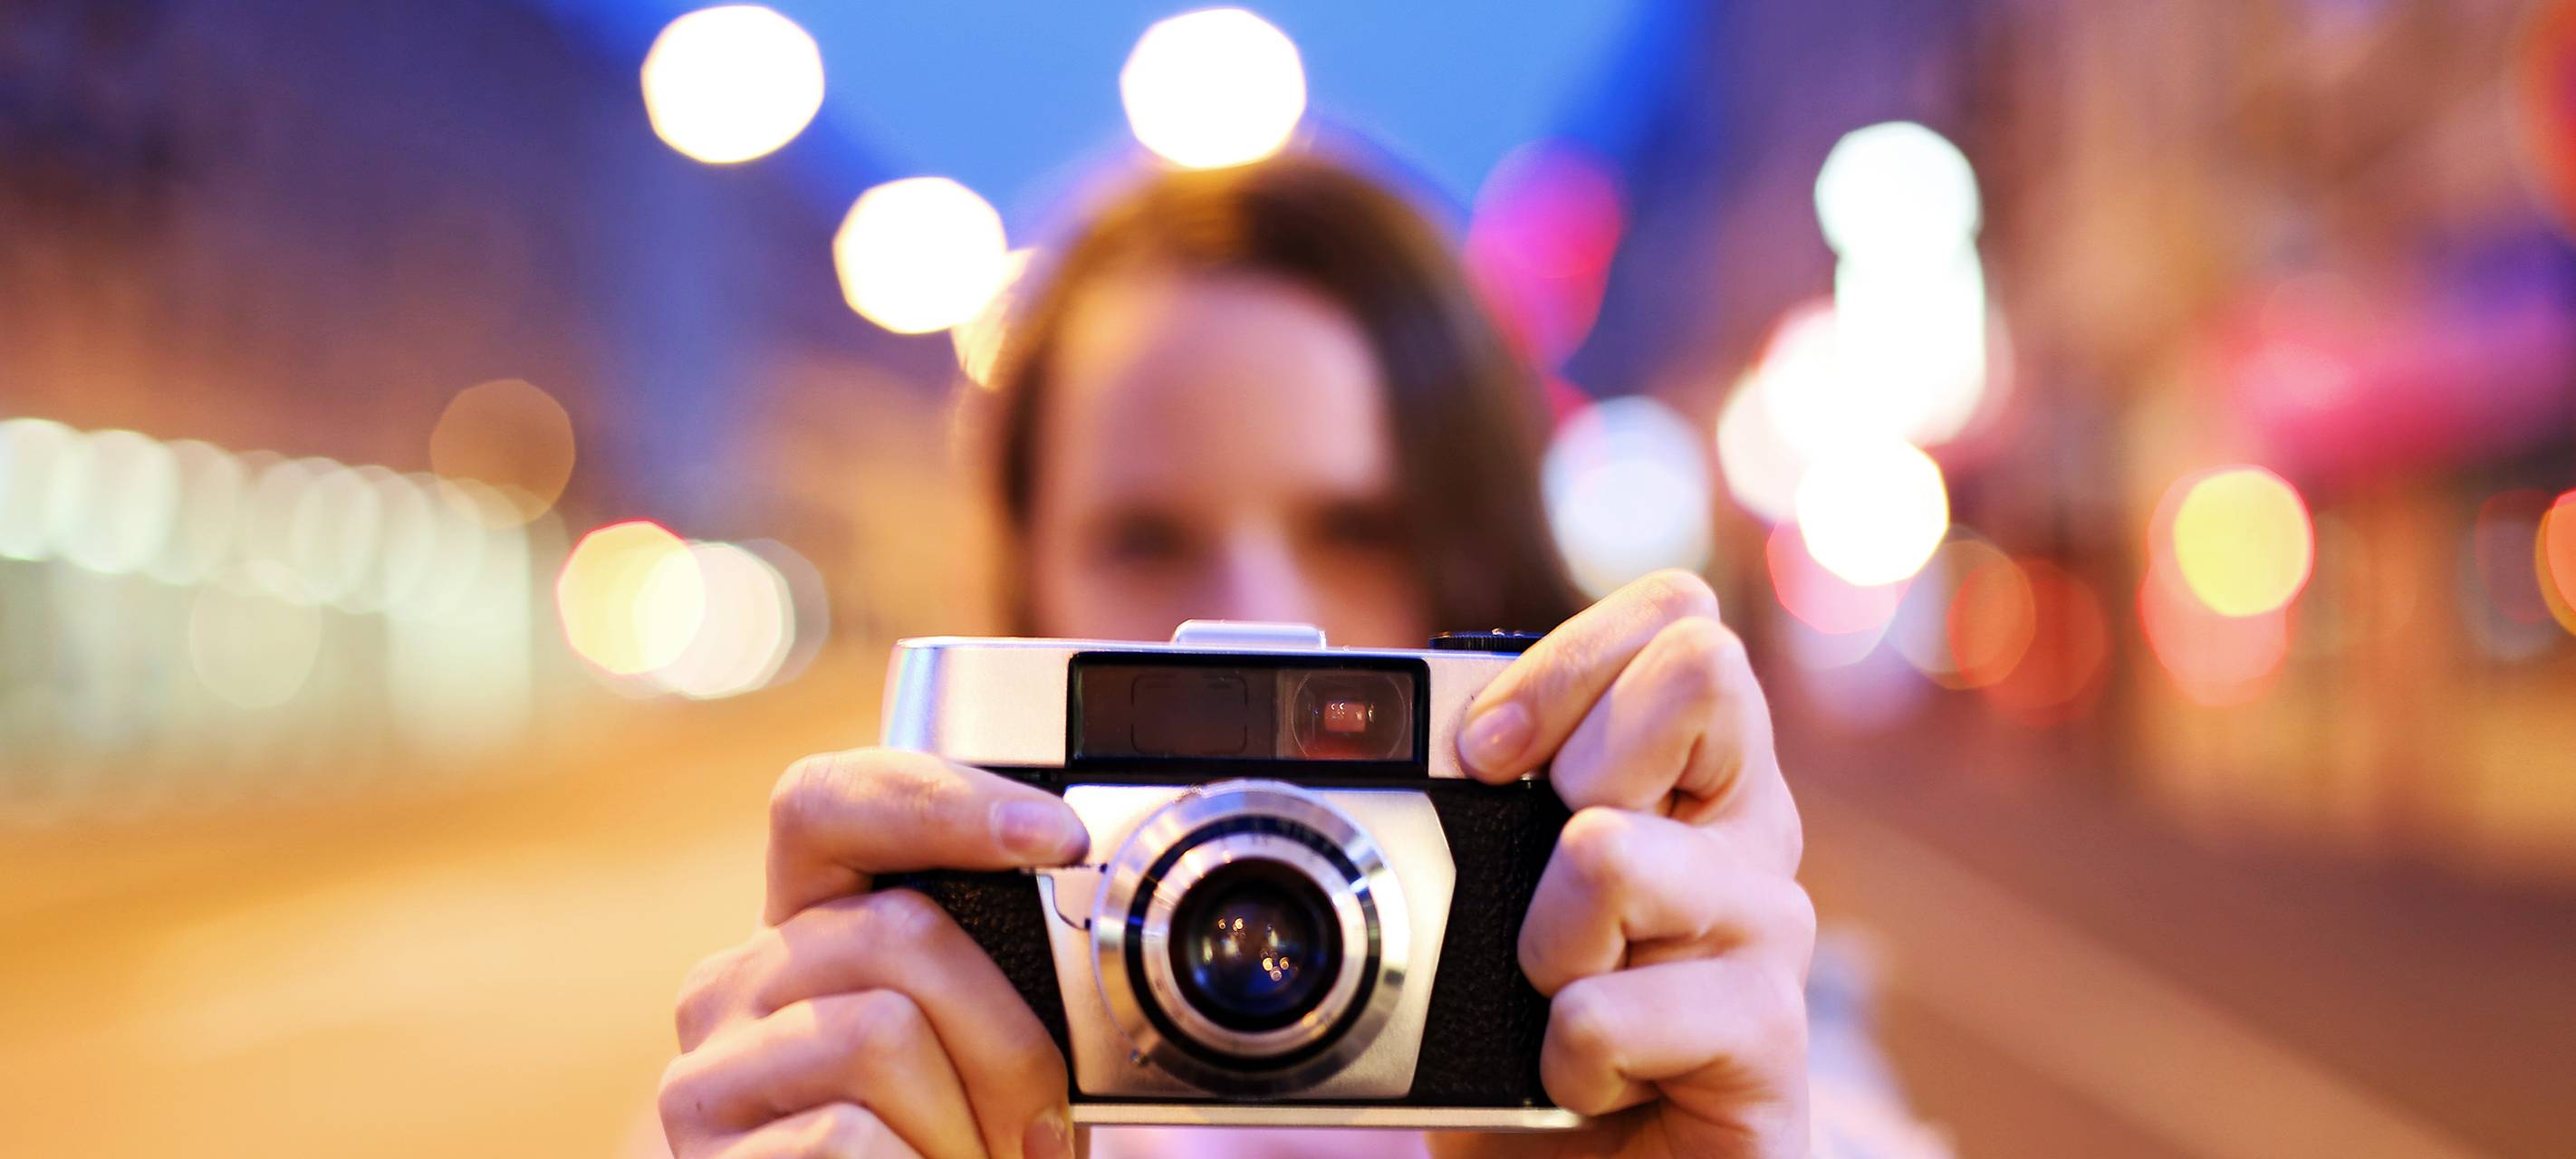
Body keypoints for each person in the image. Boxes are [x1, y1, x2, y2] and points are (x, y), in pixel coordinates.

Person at [656, 157, 1821, 1159]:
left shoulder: (1717, 1059)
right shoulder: (840, 1079)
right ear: (1023, 605)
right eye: (1145, 539)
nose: (1259, 620)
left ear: (1487, 578)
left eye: (1360, 529)